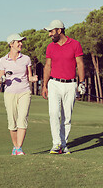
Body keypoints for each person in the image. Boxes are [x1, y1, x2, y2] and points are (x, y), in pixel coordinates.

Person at [41, 20, 86, 155]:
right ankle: (56, 144)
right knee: (54, 113)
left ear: (59, 31)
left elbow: (80, 64)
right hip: (54, 83)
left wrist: (82, 82)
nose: (49, 34)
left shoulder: (75, 44)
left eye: (51, 31)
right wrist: (44, 85)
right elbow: (48, 66)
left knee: (67, 117)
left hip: (71, 84)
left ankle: (64, 144)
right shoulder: (50, 47)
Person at [0, 33, 38, 155]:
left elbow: (29, 76)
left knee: (23, 119)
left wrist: (33, 79)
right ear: (11, 44)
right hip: (10, 93)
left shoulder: (26, 59)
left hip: (24, 92)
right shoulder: (3, 60)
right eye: (18, 42)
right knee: (12, 121)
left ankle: (19, 148)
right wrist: (4, 78)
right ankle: (15, 147)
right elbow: (0, 78)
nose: (20, 44)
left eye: (21, 41)